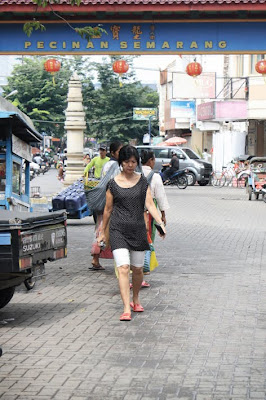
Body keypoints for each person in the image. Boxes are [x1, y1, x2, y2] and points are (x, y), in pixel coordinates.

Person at [98, 145, 166, 321]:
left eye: (133, 162)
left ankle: (136, 298)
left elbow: (150, 204)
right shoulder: (113, 183)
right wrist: (102, 232)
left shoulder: (143, 182)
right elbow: (107, 209)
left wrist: (160, 223)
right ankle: (126, 307)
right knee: (123, 268)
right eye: (127, 161)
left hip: (137, 230)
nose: (130, 165)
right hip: (118, 229)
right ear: (121, 162)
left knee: (137, 269)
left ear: (137, 163)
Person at [89, 141, 123, 271]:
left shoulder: (107, 164)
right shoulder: (115, 166)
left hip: (104, 201)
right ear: (114, 152)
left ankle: (96, 258)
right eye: (119, 151)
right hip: (110, 202)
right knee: (104, 229)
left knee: (100, 228)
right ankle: (97, 258)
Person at [140, 149, 170, 287]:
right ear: (151, 160)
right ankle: (145, 267)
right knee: (148, 238)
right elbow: (161, 196)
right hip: (150, 210)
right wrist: (163, 215)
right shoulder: (155, 176)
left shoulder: (135, 173)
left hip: (134, 209)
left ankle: (137, 267)